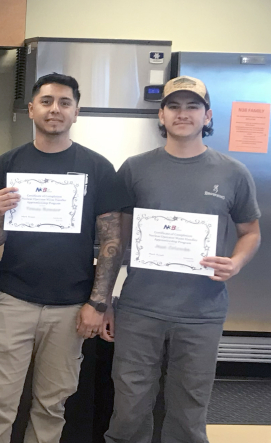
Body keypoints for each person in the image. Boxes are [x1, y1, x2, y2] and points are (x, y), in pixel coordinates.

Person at [104, 76, 261, 443]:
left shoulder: (233, 172)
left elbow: (251, 232)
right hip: (139, 308)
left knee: (189, 412)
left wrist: (235, 262)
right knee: (129, 408)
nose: (183, 114)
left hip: (201, 311)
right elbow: (118, 241)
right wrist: (108, 300)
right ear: (161, 115)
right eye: (174, 106)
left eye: (192, 106)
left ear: (207, 116)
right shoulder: (135, 168)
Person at [0, 73, 124, 443]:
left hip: (71, 308)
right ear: (31, 109)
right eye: (46, 101)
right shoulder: (8, 163)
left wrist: (98, 302)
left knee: (51, 407)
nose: (54, 109)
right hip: (13, 301)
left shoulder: (98, 168)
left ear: (76, 112)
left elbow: (112, 242)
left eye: (64, 102)